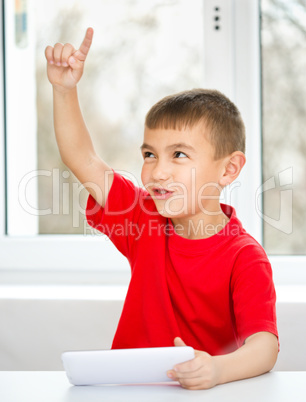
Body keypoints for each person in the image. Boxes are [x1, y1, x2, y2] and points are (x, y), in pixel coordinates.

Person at [45, 28, 279, 390]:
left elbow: (264, 347)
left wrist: (216, 370)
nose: (158, 171)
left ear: (229, 169)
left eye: (179, 155)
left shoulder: (245, 257)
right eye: (149, 154)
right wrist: (64, 90)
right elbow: (83, 158)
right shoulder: (142, 219)